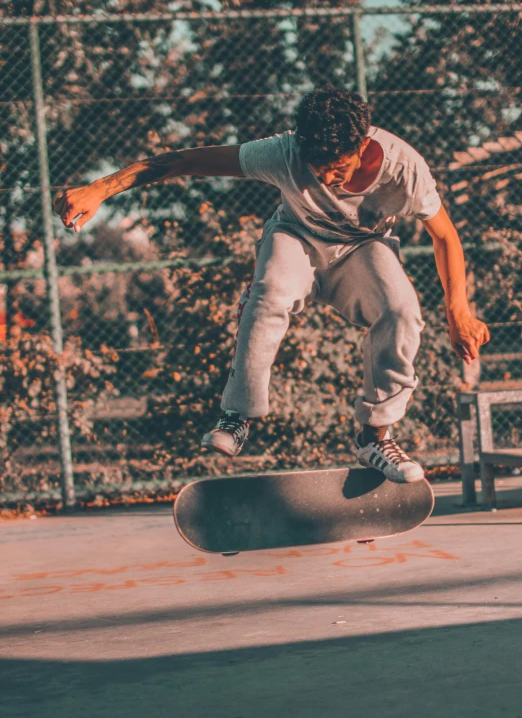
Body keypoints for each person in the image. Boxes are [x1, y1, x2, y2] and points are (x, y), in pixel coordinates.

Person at [54, 85, 490, 483]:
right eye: (317, 169)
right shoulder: (283, 153)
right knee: (271, 294)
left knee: (401, 313)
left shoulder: (404, 167)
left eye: (336, 169)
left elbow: (445, 235)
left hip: (362, 248)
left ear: (362, 147)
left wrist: (459, 313)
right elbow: (186, 160)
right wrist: (101, 189)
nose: (324, 180)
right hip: (295, 239)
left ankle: (374, 436)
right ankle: (236, 417)